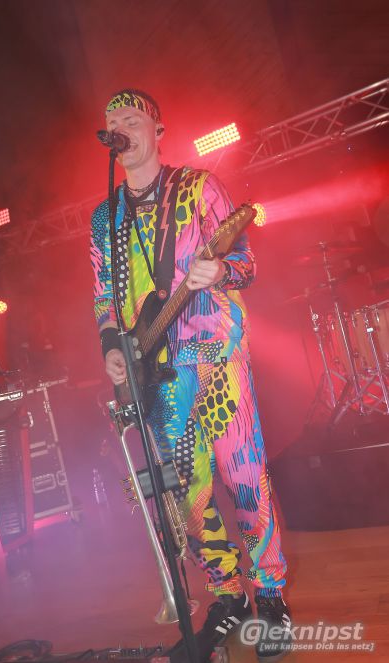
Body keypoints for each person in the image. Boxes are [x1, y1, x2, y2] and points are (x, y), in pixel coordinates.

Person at [90, 89, 291, 662]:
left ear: (158, 130)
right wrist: (112, 347)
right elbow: (104, 294)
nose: (120, 127)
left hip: (215, 353)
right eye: (112, 121)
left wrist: (220, 268)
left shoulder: (200, 187)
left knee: (244, 476)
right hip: (155, 370)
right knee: (188, 492)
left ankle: (270, 594)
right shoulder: (104, 217)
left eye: (132, 118)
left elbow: (247, 262)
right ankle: (227, 594)